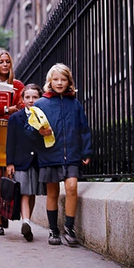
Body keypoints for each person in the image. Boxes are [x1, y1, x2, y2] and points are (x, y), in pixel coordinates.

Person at [29, 63, 92, 246]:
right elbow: (29, 129)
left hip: (72, 153)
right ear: (49, 81)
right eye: (55, 79)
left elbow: (84, 129)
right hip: (50, 154)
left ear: (69, 82)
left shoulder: (75, 103)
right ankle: (53, 230)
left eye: (63, 79)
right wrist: (39, 133)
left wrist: (86, 150)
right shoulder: (41, 104)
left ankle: (69, 229)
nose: (59, 82)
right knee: (53, 192)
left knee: (72, 187)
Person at [0, 48, 25, 236]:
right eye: (1, 62)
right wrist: (6, 109)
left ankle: (5, 212)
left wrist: (9, 110)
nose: (4, 65)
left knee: (9, 177)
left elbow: (22, 107)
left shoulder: (18, 85)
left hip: (12, 133)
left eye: (7, 61)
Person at [6, 84, 46, 241]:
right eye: (28, 97)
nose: (31, 100)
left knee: (32, 192)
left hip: (37, 161)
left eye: (35, 97)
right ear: (22, 100)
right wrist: (10, 163)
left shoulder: (43, 116)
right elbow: (11, 142)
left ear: (40, 98)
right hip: (20, 161)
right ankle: (26, 221)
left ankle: (27, 220)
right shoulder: (15, 118)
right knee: (24, 192)